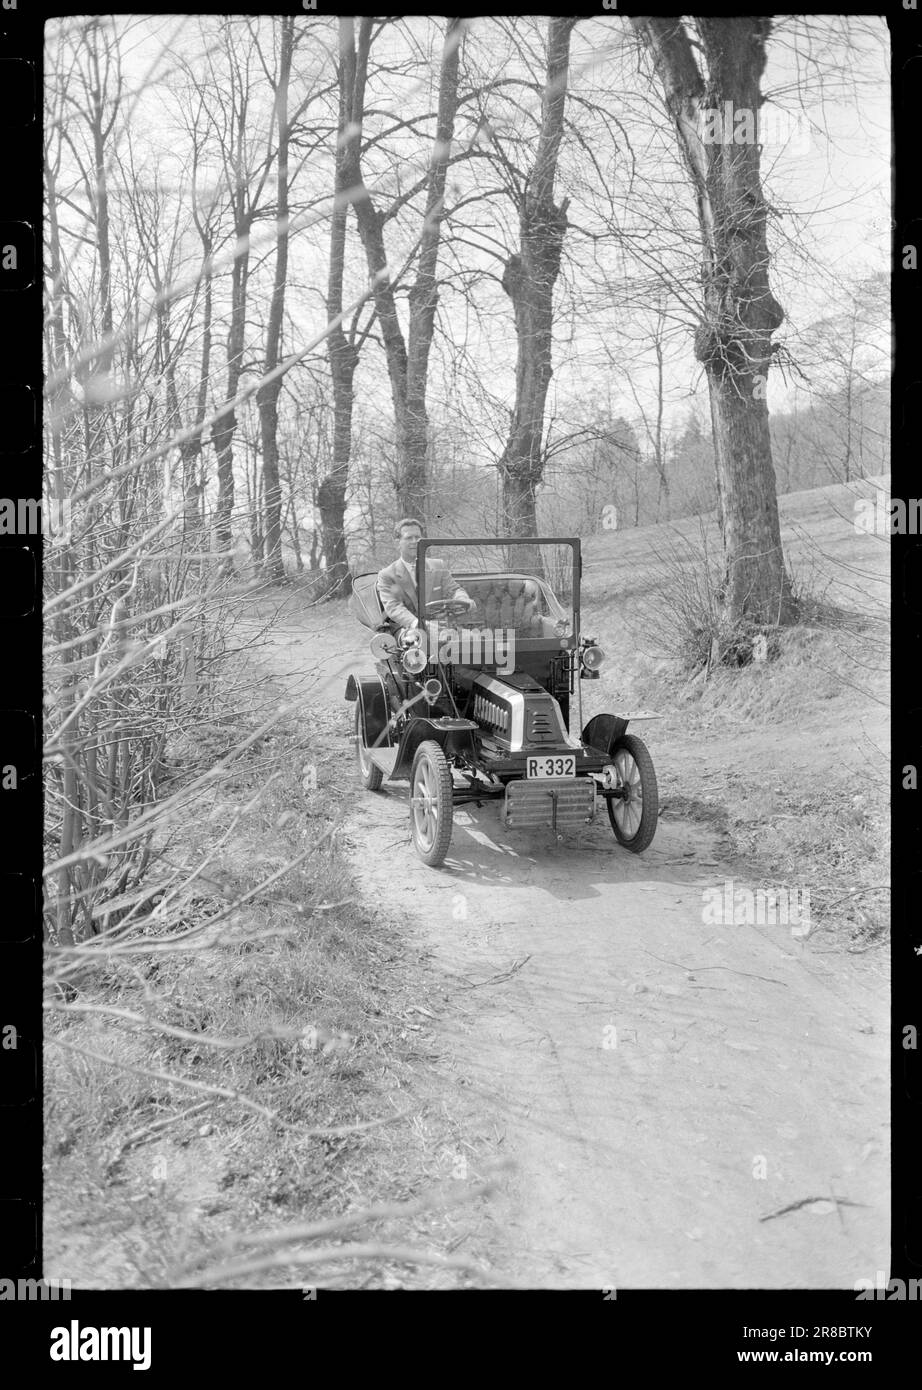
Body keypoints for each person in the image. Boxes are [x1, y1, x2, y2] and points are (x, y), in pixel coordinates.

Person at [376, 518, 473, 630]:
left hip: (442, 627)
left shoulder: (438, 566)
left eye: (417, 537)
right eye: (408, 538)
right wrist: (418, 625)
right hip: (410, 630)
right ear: (397, 543)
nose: (414, 541)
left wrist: (463, 599)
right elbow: (394, 607)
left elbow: (454, 590)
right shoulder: (387, 575)